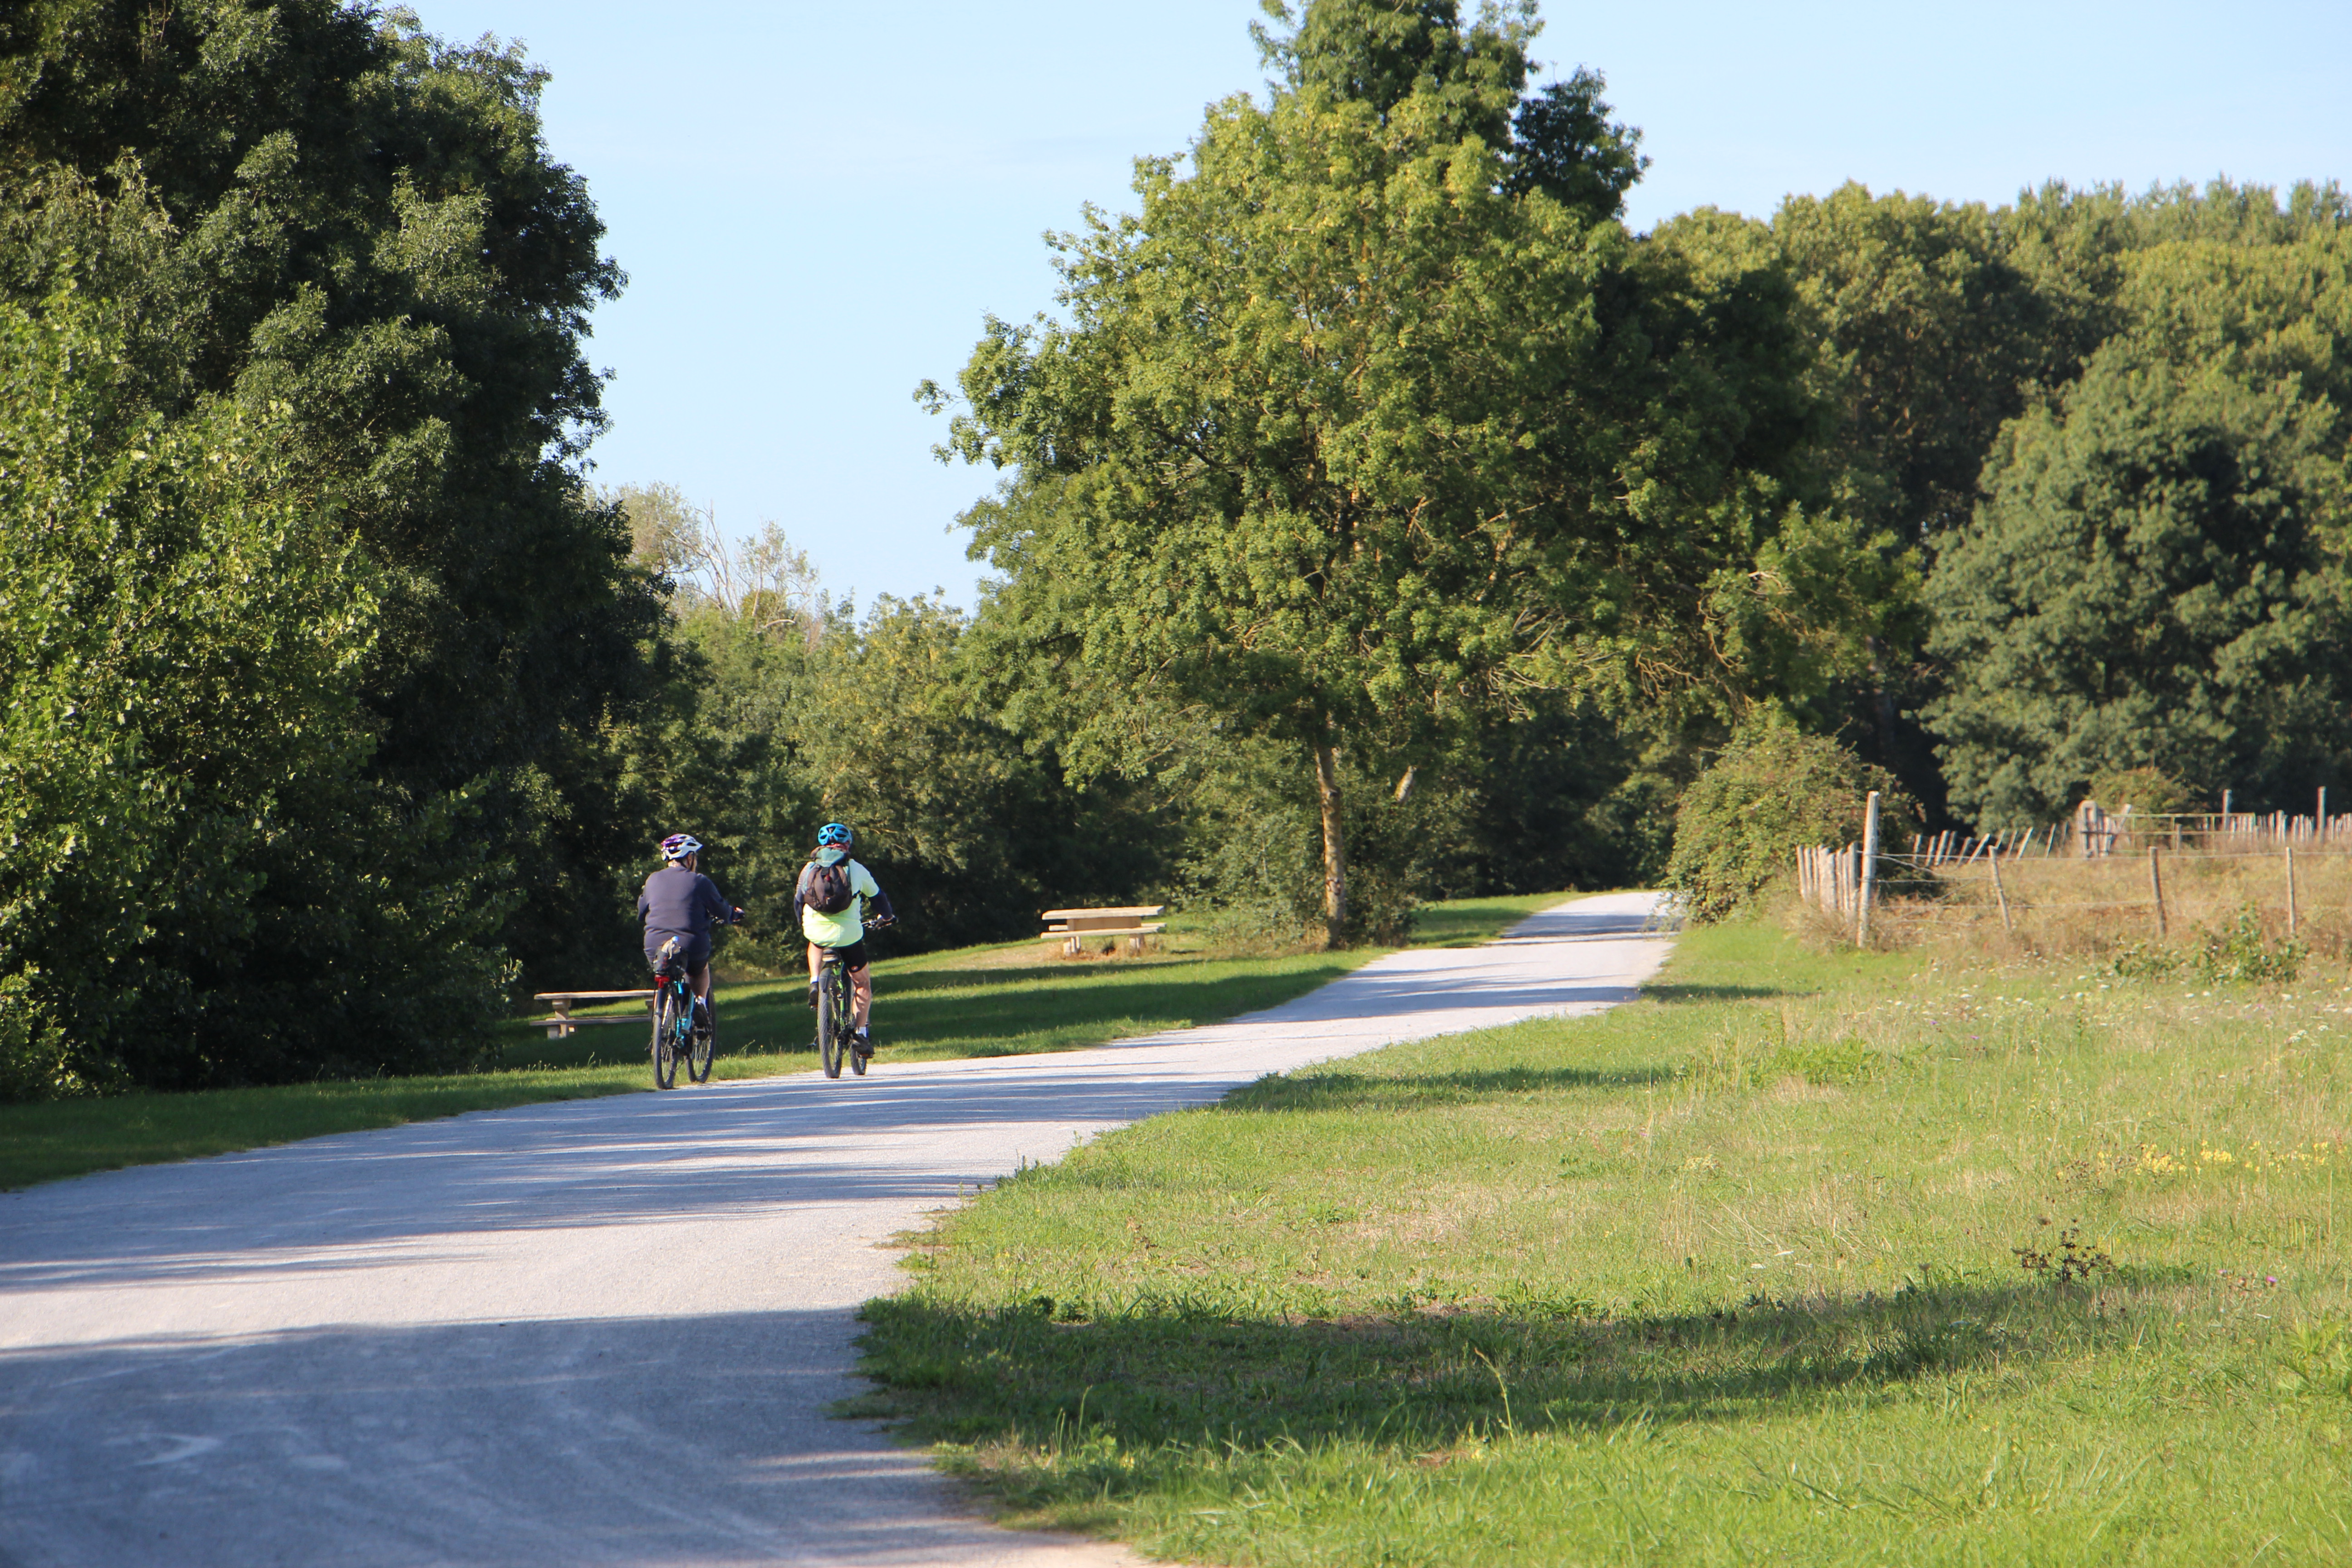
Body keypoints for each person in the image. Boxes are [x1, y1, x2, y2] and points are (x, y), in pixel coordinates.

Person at [793, 822, 894, 1058]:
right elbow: (879, 898)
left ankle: (816, 981)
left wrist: (804, 924)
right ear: (847, 844)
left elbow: (799, 901)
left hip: (816, 932)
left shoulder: (808, 869)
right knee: (862, 984)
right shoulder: (857, 869)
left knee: (814, 940)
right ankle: (860, 1034)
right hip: (849, 936)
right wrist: (888, 917)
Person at [637, 834, 743, 1030]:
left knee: (664, 970)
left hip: (654, 946)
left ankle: (662, 1028)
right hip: (691, 945)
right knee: (699, 969)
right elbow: (721, 910)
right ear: (689, 858)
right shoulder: (699, 881)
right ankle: (701, 1004)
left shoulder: (652, 880)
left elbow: (641, 911)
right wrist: (733, 915)